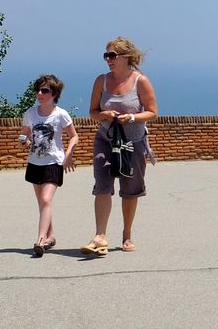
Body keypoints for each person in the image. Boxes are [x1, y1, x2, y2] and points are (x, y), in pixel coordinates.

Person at [81, 37, 158, 256]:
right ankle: (100, 236)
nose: (108, 60)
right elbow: (92, 112)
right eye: (106, 55)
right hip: (106, 140)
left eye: (112, 55)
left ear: (126, 57)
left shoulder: (140, 81)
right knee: (102, 185)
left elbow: (153, 112)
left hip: (133, 143)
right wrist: (103, 115)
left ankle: (127, 234)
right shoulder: (101, 81)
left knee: (130, 190)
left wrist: (132, 118)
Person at [20, 74, 77, 257]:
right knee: (44, 203)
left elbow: (74, 136)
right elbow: (25, 135)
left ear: (54, 93)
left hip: (54, 162)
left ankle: (41, 240)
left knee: (46, 200)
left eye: (45, 90)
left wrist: (68, 155)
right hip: (35, 162)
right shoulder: (30, 113)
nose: (40, 93)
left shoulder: (61, 114)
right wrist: (24, 141)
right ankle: (51, 236)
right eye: (38, 90)